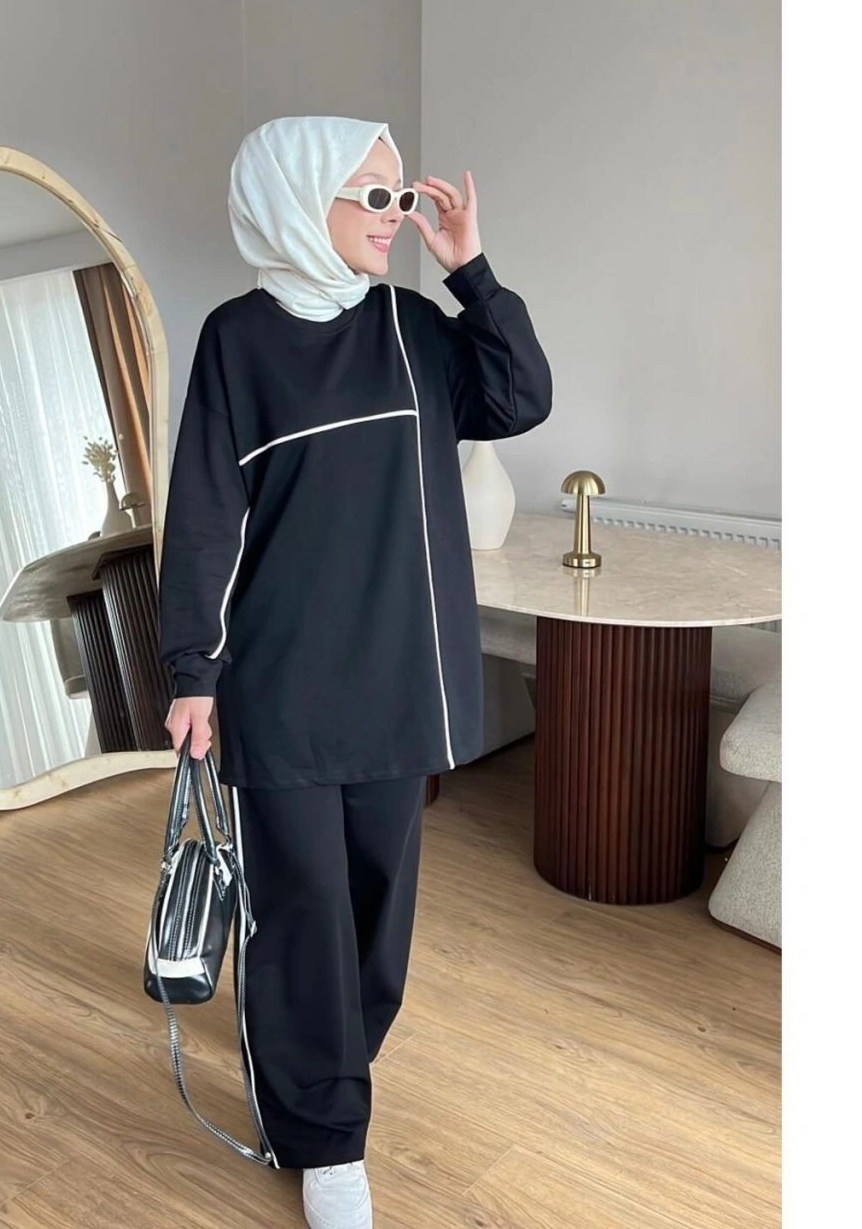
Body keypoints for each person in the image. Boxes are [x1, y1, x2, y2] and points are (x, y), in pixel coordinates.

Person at [157, 116, 552, 1229]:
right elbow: (204, 514)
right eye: (374, 197)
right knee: (302, 915)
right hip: (280, 683)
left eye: (401, 197)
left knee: (376, 916)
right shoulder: (236, 340)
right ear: (298, 200)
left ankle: (325, 1069)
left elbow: (520, 396)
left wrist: (471, 269)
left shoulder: (415, 327)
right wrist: (192, 669)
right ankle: (324, 1132)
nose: (397, 217)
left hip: (400, 679)